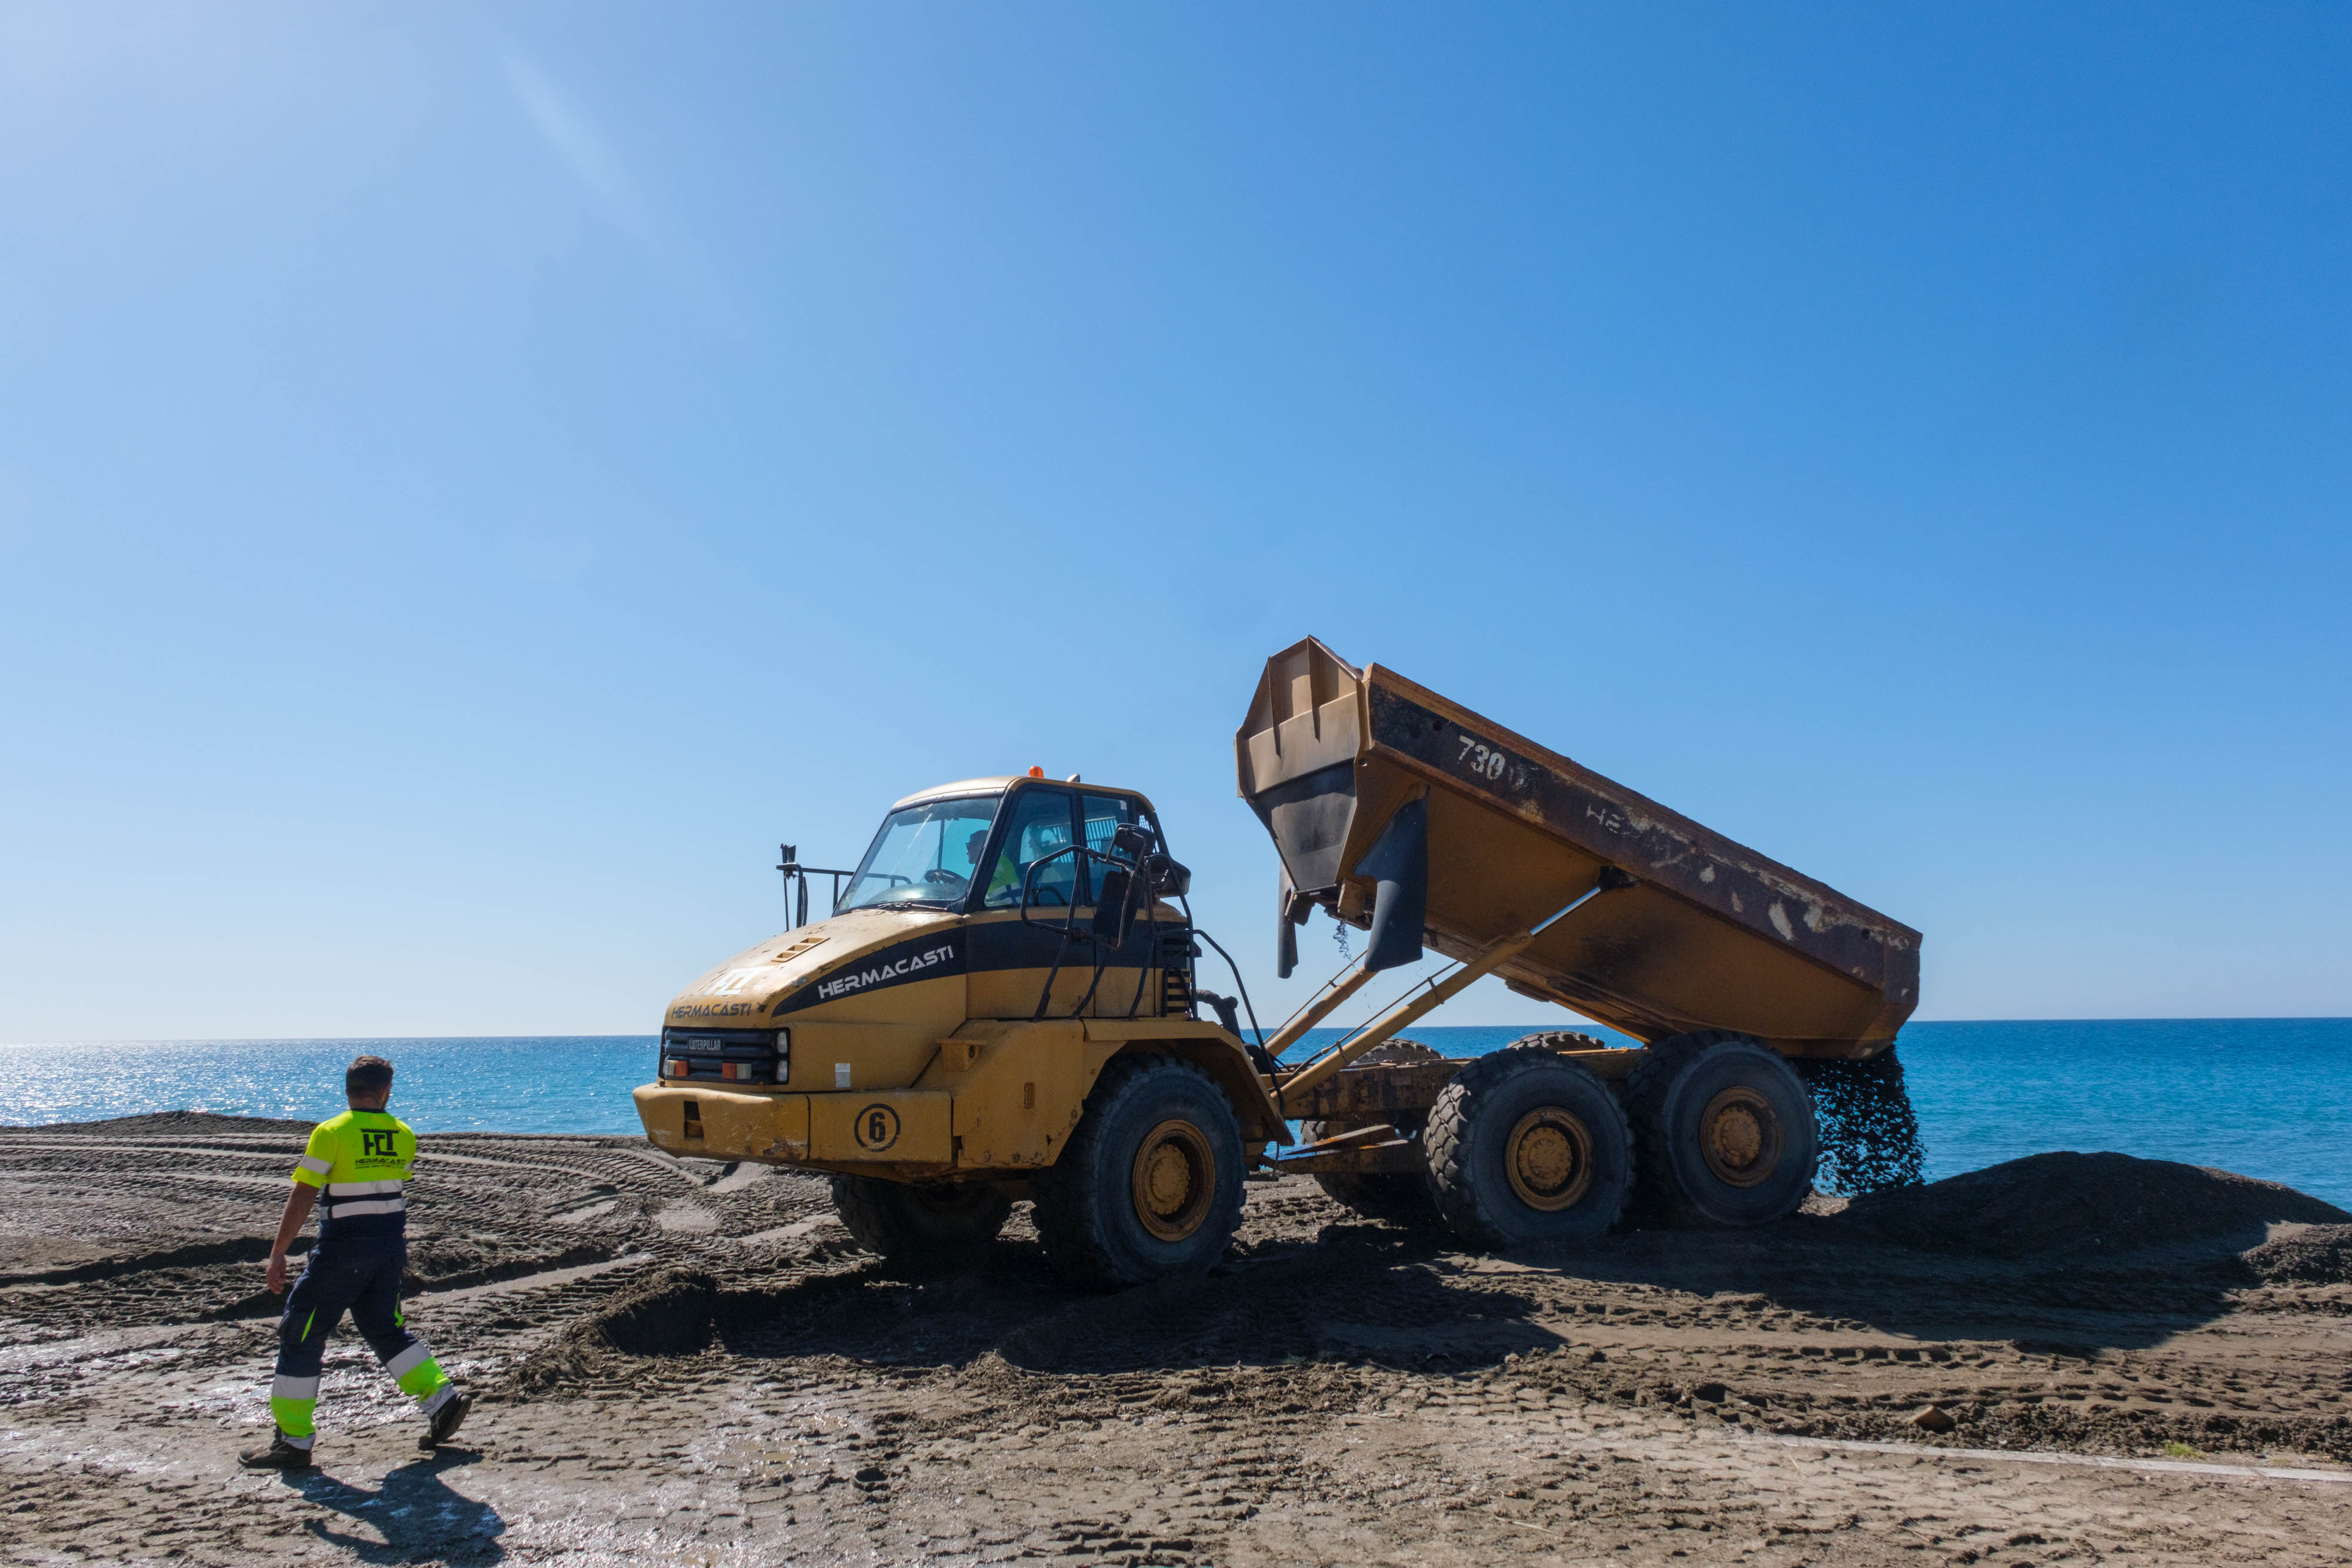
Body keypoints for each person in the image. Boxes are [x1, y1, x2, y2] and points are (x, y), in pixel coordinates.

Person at [238, 1054, 473, 1470]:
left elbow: (304, 1193)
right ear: (385, 1091)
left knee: (301, 1333)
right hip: (388, 1249)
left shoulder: (331, 1132)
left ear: (348, 1089)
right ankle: (442, 1400)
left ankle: (292, 1441)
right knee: (385, 1328)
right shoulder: (404, 1134)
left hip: (343, 1250)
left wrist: (279, 1252)